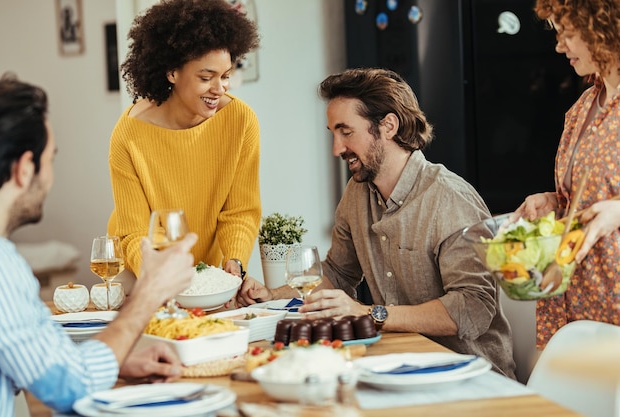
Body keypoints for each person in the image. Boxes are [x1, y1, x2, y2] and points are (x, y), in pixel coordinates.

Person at [239, 68, 516, 379]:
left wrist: (371, 314)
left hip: (471, 379)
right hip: (398, 366)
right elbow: (338, 274)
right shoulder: (358, 193)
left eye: (346, 132)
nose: (337, 149)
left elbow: (471, 309)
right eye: (332, 133)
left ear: (388, 126)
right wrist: (271, 295)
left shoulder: (448, 199)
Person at [0, 74, 198, 416]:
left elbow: (35, 360)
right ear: (24, 169)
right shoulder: (0, 268)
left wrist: (114, 360)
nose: (50, 177)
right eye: (50, 160)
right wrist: (148, 293)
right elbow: (69, 387)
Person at [107, 0, 261, 286]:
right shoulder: (129, 134)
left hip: (209, 275)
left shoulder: (240, 121)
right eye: (206, 77)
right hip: (143, 271)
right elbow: (133, 232)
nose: (219, 89)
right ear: (172, 72)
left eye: (225, 76)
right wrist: (160, 275)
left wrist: (234, 261)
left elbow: (240, 210)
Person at [512, 0, 620, 349]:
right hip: (577, 304)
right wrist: (554, 201)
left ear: (603, 31)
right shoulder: (582, 107)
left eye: (568, 34)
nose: (559, 46)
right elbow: (588, 195)